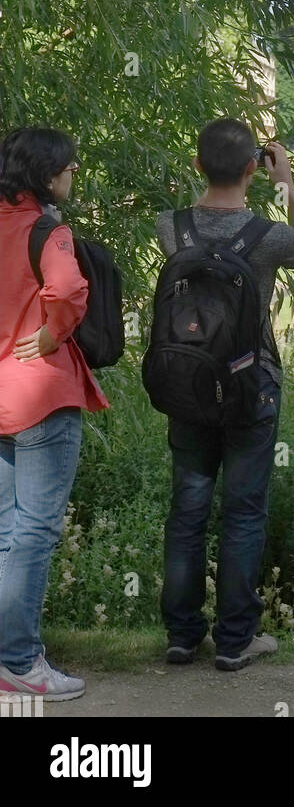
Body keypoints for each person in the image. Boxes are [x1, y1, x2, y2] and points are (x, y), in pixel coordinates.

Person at [155, 119, 294, 671]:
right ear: (253, 168)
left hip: (186, 382)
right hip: (251, 381)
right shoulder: (266, 236)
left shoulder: (171, 228)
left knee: (188, 508)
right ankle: (235, 638)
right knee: (244, 511)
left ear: (197, 164)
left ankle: (182, 635)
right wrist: (288, 186)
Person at [0, 127, 109, 702]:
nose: (73, 175)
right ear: (47, 176)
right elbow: (68, 291)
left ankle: (5, 657)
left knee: (4, 533)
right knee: (36, 531)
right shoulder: (48, 229)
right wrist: (49, 335)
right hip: (41, 396)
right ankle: (19, 661)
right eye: (67, 167)